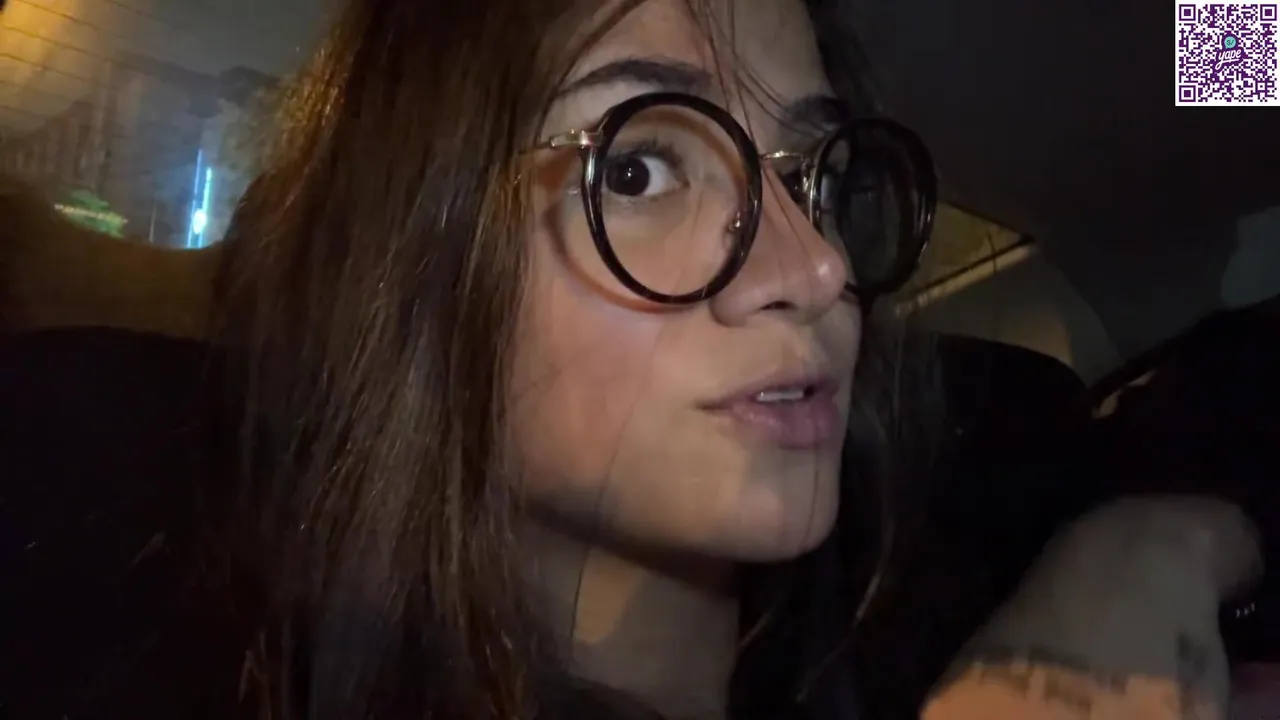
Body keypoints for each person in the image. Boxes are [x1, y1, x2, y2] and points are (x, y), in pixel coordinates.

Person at [0, 0, 1261, 718]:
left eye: (812, 176)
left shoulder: (961, 482)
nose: (816, 267)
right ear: (406, 264)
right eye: (640, 169)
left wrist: (1143, 554)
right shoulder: (146, 615)